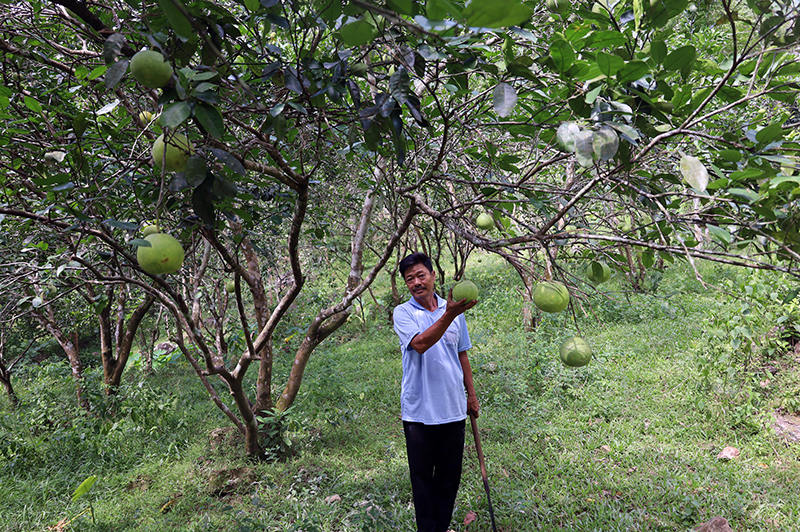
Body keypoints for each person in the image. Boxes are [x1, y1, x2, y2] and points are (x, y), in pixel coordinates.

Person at [392, 252, 480, 532]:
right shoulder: (403, 313)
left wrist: (472, 394)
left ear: (432, 276)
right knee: (422, 479)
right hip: (419, 412)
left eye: (421, 275)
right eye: (410, 279)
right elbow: (420, 344)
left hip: (453, 408)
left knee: (448, 477)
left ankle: (440, 527)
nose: (416, 282)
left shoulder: (453, 310)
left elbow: (462, 353)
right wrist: (449, 314)